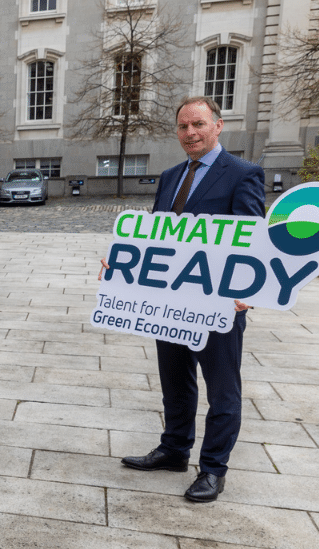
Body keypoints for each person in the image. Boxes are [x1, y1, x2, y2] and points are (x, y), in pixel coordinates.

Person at [111, 96, 265, 503]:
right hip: (171, 302)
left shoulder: (243, 174)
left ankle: (213, 469)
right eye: (182, 127)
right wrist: (123, 266)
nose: (190, 133)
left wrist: (247, 291)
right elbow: (156, 238)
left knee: (222, 390)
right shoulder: (170, 176)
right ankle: (175, 450)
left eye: (198, 124)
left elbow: (252, 240)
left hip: (217, 305)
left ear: (218, 125)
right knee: (175, 381)